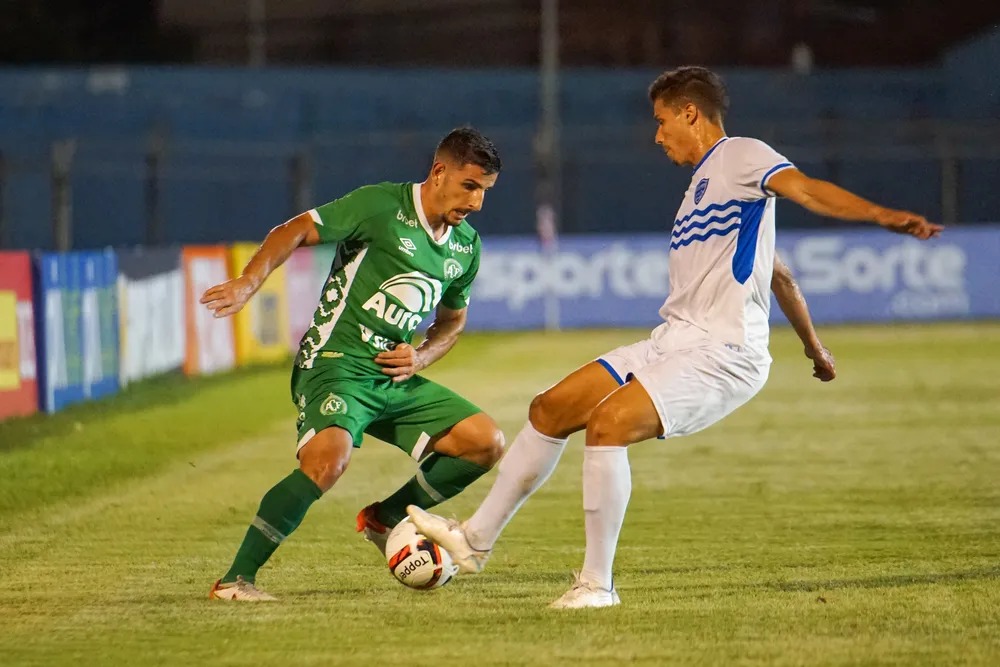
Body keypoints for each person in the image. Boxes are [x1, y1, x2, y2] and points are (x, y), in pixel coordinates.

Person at [407, 66, 943, 609]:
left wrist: (883, 216)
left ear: (691, 112)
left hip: (723, 352)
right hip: (675, 340)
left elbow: (807, 190)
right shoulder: (705, 187)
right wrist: (814, 347)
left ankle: (597, 584)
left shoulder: (741, 155)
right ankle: (474, 542)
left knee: (608, 423)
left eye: (663, 121)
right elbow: (777, 273)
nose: (657, 135)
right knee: (550, 408)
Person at [203, 127, 506, 601]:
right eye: (470, 186)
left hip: (392, 375)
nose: (477, 202)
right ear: (439, 171)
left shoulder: (465, 246)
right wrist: (248, 281)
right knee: (328, 462)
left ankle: (384, 519)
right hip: (335, 362)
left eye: (485, 191)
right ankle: (235, 580)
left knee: (485, 443)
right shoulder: (381, 206)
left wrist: (420, 356)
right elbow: (296, 228)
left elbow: (451, 323)